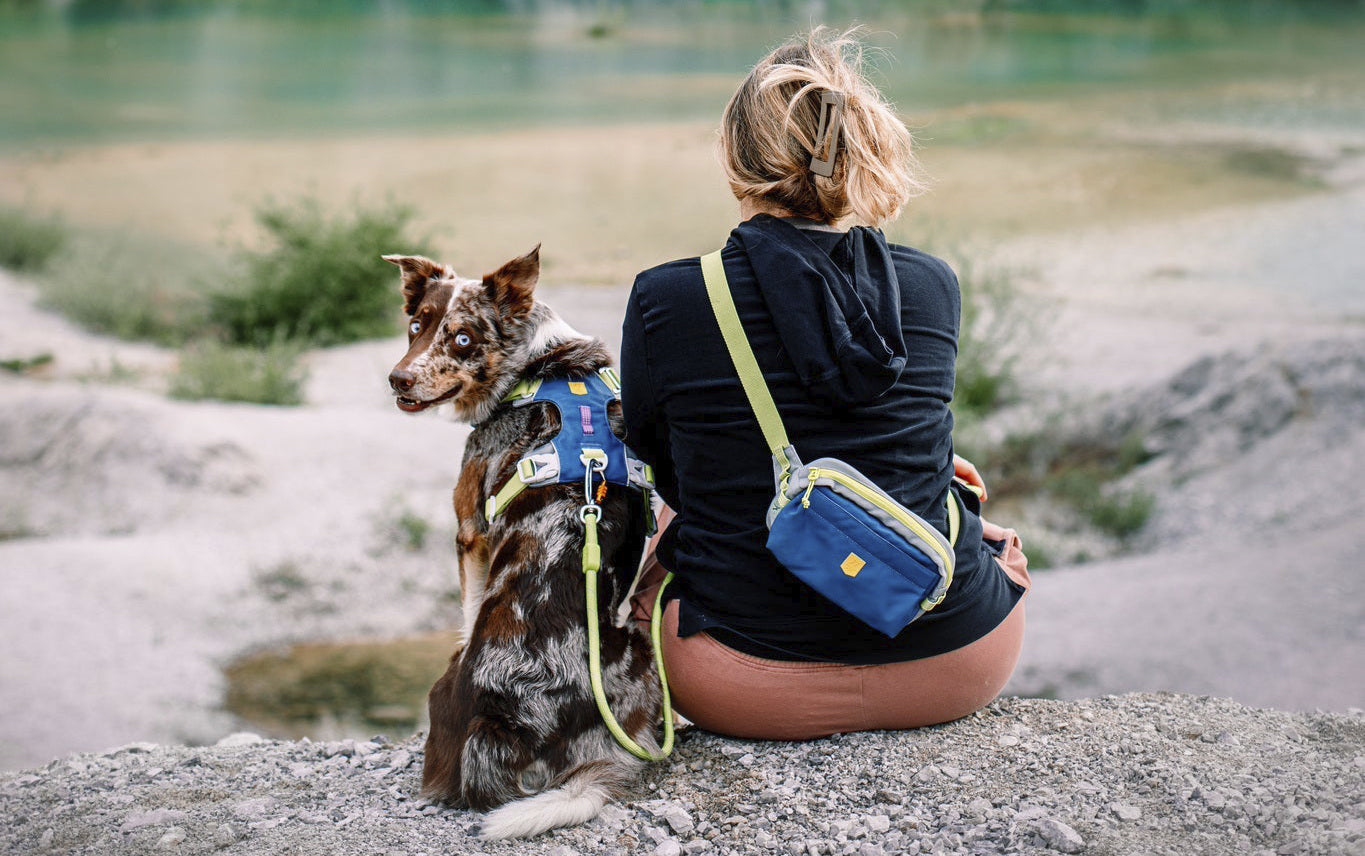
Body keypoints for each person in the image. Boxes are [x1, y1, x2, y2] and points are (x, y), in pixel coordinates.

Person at [619, 28, 1030, 741]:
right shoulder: (930, 284)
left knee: (666, 524)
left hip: (743, 686)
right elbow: (900, 434)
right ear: (864, 147)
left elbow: (665, 470)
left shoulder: (669, 298)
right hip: (957, 665)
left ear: (733, 159)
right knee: (964, 498)